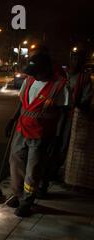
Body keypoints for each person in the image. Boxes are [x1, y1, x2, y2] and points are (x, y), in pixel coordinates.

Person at [5, 52, 69, 217]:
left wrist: (59, 137)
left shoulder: (59, 86)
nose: (33, 76)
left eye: (37, 72)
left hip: (41, 135)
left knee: (32, 170)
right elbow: (22, 104)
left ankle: (27, 202)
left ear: (46, 69)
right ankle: (18, 195)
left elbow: (64, 114)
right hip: (21, 130)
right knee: (16, 163)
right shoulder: (29, 80)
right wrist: (12, 120)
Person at [38, 49, 93, 196]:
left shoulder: (84, 78)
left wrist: (73, 103)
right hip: (53, 116)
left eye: (78, 59)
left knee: (61, 147)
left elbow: (85, 100)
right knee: (47, 147)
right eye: (73, 58)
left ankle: (50, 175)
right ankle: (44, 179)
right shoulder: (61, 75)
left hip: (69, 118)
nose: (75, 62)